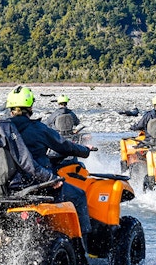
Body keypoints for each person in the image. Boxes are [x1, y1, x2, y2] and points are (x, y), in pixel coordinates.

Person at [6, 85, 93, 249]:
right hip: (40, 184)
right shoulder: (38, 129)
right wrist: (85, 151)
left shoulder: (2, 128)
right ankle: (82, 248)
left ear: (10, 107)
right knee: (79, 196)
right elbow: (64, 146)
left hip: (10, 185)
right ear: (30, 107)